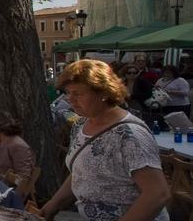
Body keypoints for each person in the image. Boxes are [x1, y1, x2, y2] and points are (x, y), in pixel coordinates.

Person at [41, 59, 171, 221]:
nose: (70, 99)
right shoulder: (81, 124)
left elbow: (158, 194)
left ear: (103, 93)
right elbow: (81, 172)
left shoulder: (129, 135)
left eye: (78, 94)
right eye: (69, 93)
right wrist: (54, 204)